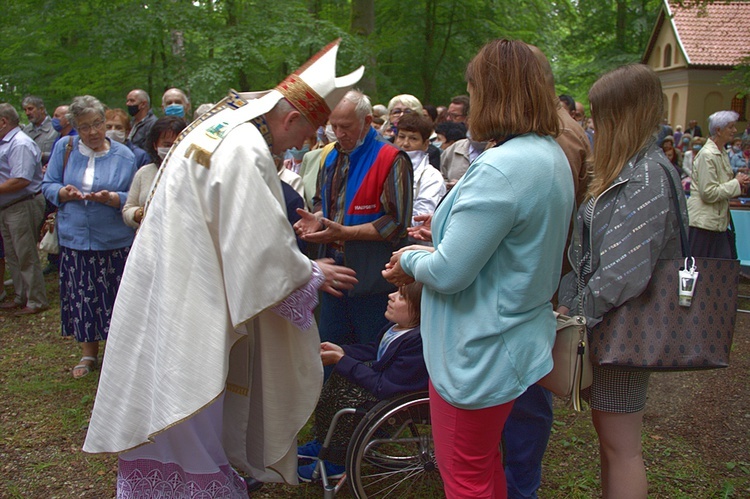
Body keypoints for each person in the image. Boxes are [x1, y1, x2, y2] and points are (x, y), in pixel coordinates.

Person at [82, 40, 364, 496]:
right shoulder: (245, 148)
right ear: (291, 118)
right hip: (195, 300)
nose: (302, 146)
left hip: (175, 284)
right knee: (189, 407)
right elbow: (259, 248)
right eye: (306, 135)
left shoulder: (220, 126)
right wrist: (311, 274)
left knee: (172, 406)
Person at [383, 39, 574, 498]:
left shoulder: (503, 167)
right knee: (485, 466)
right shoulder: (549, 155)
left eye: (474, 89)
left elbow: (449, 273)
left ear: (493, 92)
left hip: (479, 351)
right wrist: (449, 231)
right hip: (513, 338)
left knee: (466, 476)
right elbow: (515, 244)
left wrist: (408, 258)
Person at [557, 64, 689, 499]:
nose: (592, 123)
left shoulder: (647, 174)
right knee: (613, 442)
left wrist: (576, 312)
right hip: (611, 323)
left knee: (622, 447)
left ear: (623, 113)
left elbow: (624, 272)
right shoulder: (634, 167)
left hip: (623, 326)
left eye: (599, 113)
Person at [294, 90, 412, 360]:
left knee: (370, 352)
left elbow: (396, 224)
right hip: (333, 272)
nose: (338, 133)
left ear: (368, 121)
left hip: (373, 278)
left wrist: (344, 232)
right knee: (328, 348)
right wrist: (318, 219)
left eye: (345, 127)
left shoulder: (392, 158)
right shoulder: (330, 156)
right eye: (333, 126)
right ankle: (330, 401)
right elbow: (321, 200)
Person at [41, 95, 137, 378]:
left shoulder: (125, 155)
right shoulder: (64, 147)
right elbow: (48, 184)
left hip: (114, 238)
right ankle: (88, 354)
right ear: (75, 128)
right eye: (85, 127)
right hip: (76, 238)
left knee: (116, 297)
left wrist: (113, 198)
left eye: (98, 124)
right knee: (84, 297)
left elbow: (134, 196)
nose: (93, 132)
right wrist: (61, 193)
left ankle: (122, 353)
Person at [296, 281, 428, 481]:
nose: (391, 296)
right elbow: (375, 350)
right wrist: (343, 351)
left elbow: (386, 386)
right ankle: (324, 441)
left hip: (393, 395)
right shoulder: (395, 328)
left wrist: (343, 361)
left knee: (345, 398)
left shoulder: (416, 343)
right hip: (383, 383)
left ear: (420, 311)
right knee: (336, 383)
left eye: (401, 296)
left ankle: (337, 460)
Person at [0, 103, 49, 315]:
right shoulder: (5, 143)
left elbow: (21, 179)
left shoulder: (19, 144)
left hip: (22, 204)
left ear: (3, 122)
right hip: (7, 206)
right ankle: (22, 296)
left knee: (25, 253)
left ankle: (36, 300)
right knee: (13, 255)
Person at [687, 110, 750, 259]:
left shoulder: (721, 153)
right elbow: (708, 193)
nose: (735, 130)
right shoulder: (707, 155)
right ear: (718, 130)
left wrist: (739, 184)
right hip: (703, 225)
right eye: (731, 127)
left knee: (718, 273)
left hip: (716, 224)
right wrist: (736, 183)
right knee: (701, 272)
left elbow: (721, 186)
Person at [122, 116, 186, 229]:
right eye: (167, 145)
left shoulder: (192, 173)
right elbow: (128, 209)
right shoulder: (144, 172)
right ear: (155, 145)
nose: (171, 149)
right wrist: (140, 213)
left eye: (177, 144)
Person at [393, 112, 446, 226]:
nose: (405, 143)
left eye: (413, 138)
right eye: (401, 137)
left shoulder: (431, 177)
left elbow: (421, 218)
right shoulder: (385, 166)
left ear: (425, 144)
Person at [22, 96, 59, 165]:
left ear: (41, 109)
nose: (27, 113)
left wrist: (43, 155)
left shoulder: (55, 129)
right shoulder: (26, 130)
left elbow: (62, 154)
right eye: (25, 110)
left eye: (30, 109)